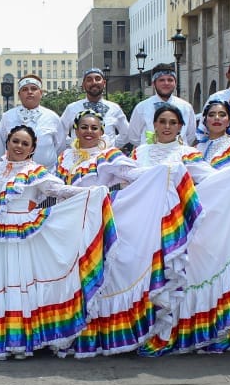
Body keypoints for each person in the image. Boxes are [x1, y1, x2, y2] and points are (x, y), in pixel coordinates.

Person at [55, 111, 198, 357]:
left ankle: (98, 335)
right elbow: (56, 187)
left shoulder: (108, 155)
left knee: (95, 273)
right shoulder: (65, 157)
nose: (89, 132)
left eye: (94, 128)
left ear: (102, 132)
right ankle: (72, 334)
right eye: (84, 127)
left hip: (95, 219)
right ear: (75, 130)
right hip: (69, 222)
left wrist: (163, 173)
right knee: (72, 277)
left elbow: (132, 173)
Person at [0, 125, 108, 359]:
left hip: (23, 234)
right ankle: (1, 342)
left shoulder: (34, 171)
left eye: (25, 144)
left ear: (32, 149)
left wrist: (91, 192)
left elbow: (58, 190)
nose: (19, 146)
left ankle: (20, 342)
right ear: (7, 142)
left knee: (18, 282)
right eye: (15, 141)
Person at [0, 75, 64, 170]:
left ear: (41, 93)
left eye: (34, 89)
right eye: (25, 89)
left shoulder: (52, 117)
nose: (29, 92)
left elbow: (60, 146)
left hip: (47, 173)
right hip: (14, 173)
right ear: (19, 94)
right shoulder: (8, 117)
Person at [59, 68, 129, 149]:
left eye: (98, 79)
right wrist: (72, 145)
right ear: (84, 85)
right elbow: (59, 133)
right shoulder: (72, 108)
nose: (94, 82)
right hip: (79, 155)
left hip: (106, 155)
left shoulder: (114, 108)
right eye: (89, 80)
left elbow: (126, 133)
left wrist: (112, 145)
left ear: (104, 83)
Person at [128, 69, 197, 147]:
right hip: (150, 153)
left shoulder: (186, 107)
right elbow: (133, 136)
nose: (166, 83)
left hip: (179, 152)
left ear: (175, 83)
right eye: (161, 80)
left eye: (170, 80)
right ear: (153, 83)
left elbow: (190, 136)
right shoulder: (142, 107)